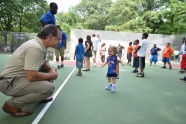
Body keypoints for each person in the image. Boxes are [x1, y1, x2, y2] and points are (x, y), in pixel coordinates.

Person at [0, 25, 60, 117]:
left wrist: (49, 69)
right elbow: (31, 76)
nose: (59, 41)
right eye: (58, 38)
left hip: (14, 79)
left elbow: (43, 62)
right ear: (50, 36)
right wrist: (51, 75)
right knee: (48, 88)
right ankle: (11, 105)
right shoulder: (35, 47)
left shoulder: (39, 44)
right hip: (9, 83)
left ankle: (39, 98)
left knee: (45, 72)